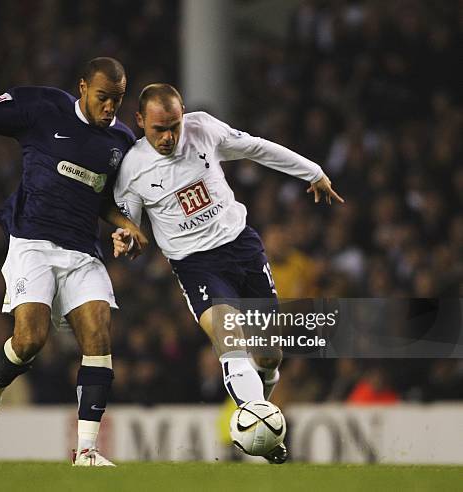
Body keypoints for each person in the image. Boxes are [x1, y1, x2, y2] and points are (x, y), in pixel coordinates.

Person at [0, 27, 147, 466]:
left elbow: (104, 199)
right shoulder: (42, 106)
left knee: (99, 333)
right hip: (33, 242)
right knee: (29, 339)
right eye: (103, 96)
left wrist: (126, 227)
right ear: (82, 87)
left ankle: (86, 452)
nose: (111, 106)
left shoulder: (120, 141)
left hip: (82, 251)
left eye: (118, 98)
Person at [112, 84, 344, 463]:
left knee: (269, 355)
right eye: (159, 129)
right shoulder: (132, 169)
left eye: (174, 125)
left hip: (243, 250)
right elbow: (130, 223)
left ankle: (260, 416)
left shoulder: (203, 129)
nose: (169, 136)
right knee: (230, 338)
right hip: (196, 264)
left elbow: (257, 147)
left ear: (184, 113)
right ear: (140, 121)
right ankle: (263, 431)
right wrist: (126, 238)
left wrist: (312, 172)